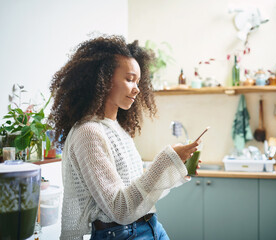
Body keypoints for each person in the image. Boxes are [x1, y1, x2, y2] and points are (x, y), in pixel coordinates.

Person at [49, 35, 200, 240]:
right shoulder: (88, 133)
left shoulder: (118, 129)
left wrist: (175, 167)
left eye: (138, 81)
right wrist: (165, 160)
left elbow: (140, 196)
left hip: (151, 226)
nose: (137, 89)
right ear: (102, 78)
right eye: (129, 79)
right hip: (122, 234)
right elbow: (121, 210)